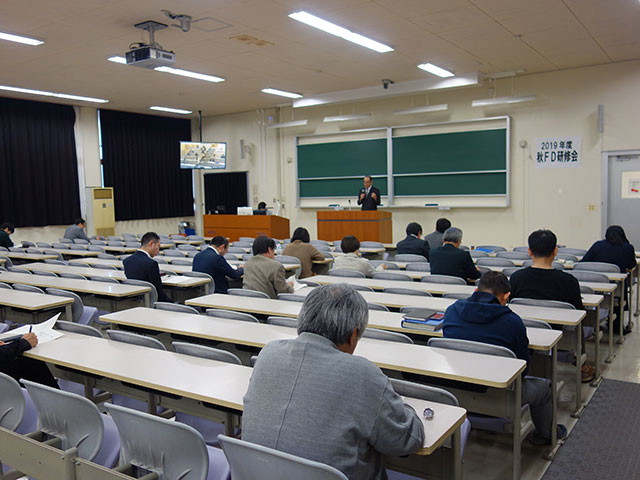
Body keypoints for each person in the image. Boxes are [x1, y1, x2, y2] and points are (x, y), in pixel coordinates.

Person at [243, 284, 424, 479]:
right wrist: (402, 404)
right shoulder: (362, 373)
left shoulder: (268, 353)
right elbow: (408, 439)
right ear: (353, 334)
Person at [442, 271, 567, 445]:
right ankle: (544, 435)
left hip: (456, 389)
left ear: (477, 290)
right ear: (506, 296)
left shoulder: (452, 311)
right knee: (543, 388)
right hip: (499, 395)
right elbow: (522, 370)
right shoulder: (512, 322)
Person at [509, 229, 594, 381]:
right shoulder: (568, 281)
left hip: (522, 330)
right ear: (555, 251)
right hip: (557, 334)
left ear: (529, 251)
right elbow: (578, 313)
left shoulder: (516, 278)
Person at [123, 231, 172, 303]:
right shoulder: (151, 264)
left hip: (136, 301)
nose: (158, 251)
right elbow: (159, 293)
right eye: (158, 247)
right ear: (151, 244)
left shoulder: (127, 261)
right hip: (152, 301)